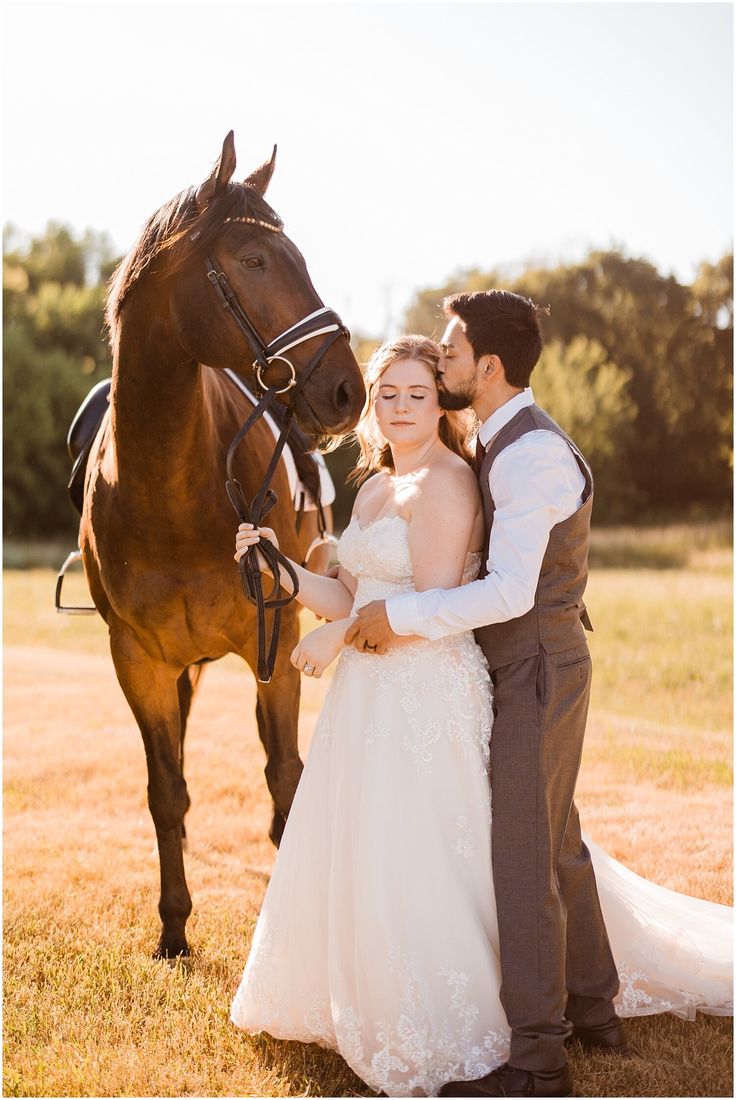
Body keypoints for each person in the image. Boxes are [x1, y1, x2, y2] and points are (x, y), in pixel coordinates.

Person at [230, 331, 732, 1099]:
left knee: (438, 852)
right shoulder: (371, 488)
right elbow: (351, 594)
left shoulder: (448, 484)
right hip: (370, 695)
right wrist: (284, 567)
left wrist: (339, 635)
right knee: (369, 845)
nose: (399, 408)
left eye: (416, 394)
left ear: (441, 402)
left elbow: (416, 607)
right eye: (387, 394)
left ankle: (495, 1011)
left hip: (424, 688)